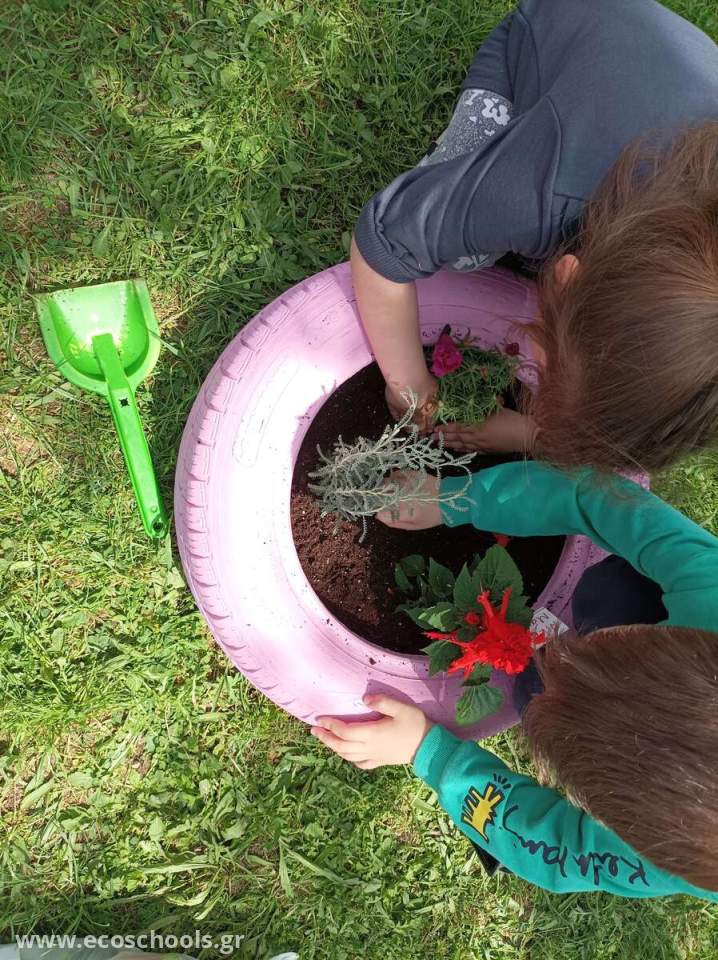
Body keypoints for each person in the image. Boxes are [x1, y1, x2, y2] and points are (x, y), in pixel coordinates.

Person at [310, 462, 718, 899]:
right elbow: (596, 499)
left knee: (532, 688)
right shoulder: (710, 592)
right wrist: (454, 498)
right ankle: (604, 618)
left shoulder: (672, 856)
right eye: (602, 653)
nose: (565, 656)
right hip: (657, 604)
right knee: (609, 589)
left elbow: (555, 849)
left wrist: (427, 751)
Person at [351, 0, 718, 471]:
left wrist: (531, 434)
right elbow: (383, 242)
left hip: (665, 74)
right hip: (545, 40)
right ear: (564, 276)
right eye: (544, 373)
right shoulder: (540, 192)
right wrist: (410, 384)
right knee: (468, 258)